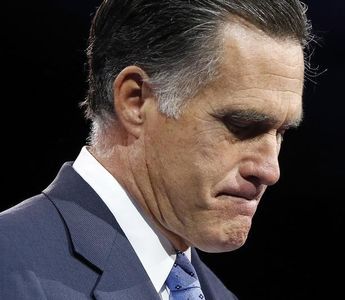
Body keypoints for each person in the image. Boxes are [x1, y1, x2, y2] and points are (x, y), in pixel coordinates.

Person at [0, 0, 312, 298]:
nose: (271, 170)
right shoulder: (10, 265)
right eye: (241, 125)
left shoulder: (219, 295)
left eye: (280, 132)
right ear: (135, 101)